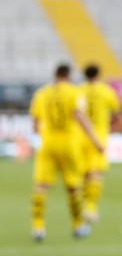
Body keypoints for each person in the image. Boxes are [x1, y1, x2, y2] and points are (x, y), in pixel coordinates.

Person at [29, 64, 105, 242]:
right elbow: (79, 116)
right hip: (69, 144)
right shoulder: (74, 92)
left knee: (41, 185)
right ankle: (77, 226)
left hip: (47, 143)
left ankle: (38, 228)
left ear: (55, 75)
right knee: (73, 186)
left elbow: (34, 123)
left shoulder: (41, 93)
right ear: (68, 76)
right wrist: (95, 140)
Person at [79, 63, 122, 223]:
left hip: (80, 136)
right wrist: (119, 127)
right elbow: (117, 112)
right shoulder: (106, 91)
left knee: (85, 174)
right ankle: (90, 208)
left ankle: (83, 206)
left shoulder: (79, 91)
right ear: (98, 75)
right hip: (98, 137)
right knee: (96, 173)